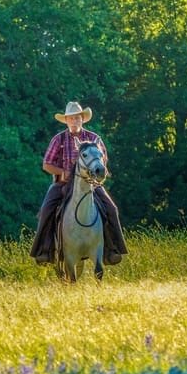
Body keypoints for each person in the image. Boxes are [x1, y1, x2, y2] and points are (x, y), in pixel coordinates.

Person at [29, 101, 128, 265]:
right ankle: (44, 251)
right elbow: (46, 164)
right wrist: (62, 172)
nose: (74, 121)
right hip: (62, 184)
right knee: (46, 209)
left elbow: (103, 158)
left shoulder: (94, 138)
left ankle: (113, 250)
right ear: (66, 121)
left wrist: (97, 171)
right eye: (71, 118)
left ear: (82, 119)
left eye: (77, 118)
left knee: (111, 209)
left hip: (91, 183)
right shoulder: (58, 139)